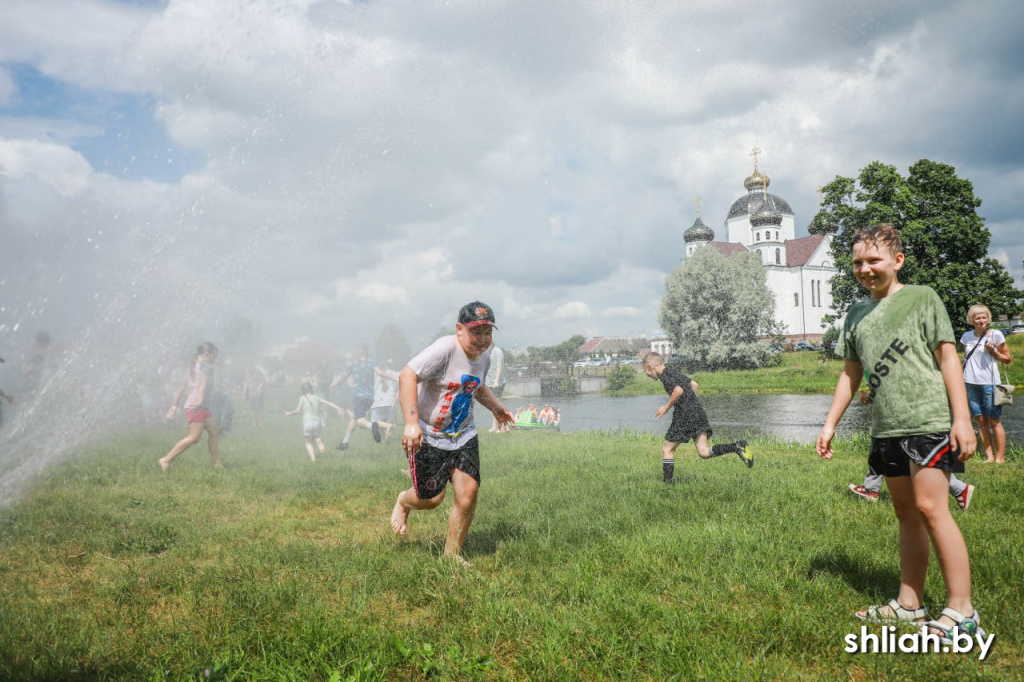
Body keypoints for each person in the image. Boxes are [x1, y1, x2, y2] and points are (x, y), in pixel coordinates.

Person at [816, 224, 983, 643]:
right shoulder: (855, 314)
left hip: (927, 421)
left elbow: (948, 358)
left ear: (897, 261)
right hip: (886, 428)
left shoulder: (922, 298)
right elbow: (850, 373)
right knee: (905, 513)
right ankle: (910, 604)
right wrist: (830, 423)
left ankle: (962, 611)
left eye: (873, 260)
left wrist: (962, 420)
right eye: (857, 262)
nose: (865, 269)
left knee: (931, 508)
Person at [389, 301, 514, 566]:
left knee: (467, 494)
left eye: (487, 332)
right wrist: (411, 424)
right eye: (475, 332)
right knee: (432, 499)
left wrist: (496, 407)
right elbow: (407, 376)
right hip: (428, 434)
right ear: (459, 329)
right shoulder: (445, 349)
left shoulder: (485, 358)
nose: (482, 339)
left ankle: (451, 556)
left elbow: (475, 387)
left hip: (463, 434)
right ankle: (404, 501)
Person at [847, 382, 976, 510]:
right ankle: (871, 488)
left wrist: (872, 396)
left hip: (905, 413)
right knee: (897, 452)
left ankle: (959, 488)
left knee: (914, 457)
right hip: (905, 411)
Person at [642, 352, 752, 483]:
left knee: (667, 449)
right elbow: (694, 384)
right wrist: (692, 404)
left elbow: (678, 390)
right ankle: (736, 446)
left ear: (650, 367)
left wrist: (666, 407)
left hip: (684, 415)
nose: (648, 376)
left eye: (646, 372)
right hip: (697, 412)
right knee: (704, 452)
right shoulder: (673, 372)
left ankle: (667, 484)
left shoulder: (664, 375)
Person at [159, 342, 224, 472]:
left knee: (214, 431)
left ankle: (217, 463)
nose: (215, 359)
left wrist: (174, 405)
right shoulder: (206, 367)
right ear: (207, 354)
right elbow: (202, 385)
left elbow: (181, 387)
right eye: (214, 356)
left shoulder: (192, 366)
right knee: (194, 437)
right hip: (197, 406)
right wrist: (199, 402)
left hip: (199, 406)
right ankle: (166, 460)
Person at [960, 304, 1012, 463]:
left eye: (984, 317)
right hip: (970, 382)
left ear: (988, 318)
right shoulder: (966, 336)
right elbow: (966, 358)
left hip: (991, 383)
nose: (981, 320)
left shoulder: (996, 334)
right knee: (981, 421)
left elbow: (1008, 359)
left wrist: (994, 352)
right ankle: (989, 457)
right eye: (977, 317)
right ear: (972, 319)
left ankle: (1000, 459)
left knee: (995, 420)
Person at [332, 344, 380, 449]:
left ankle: (372, 426)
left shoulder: (354, 365)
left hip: (358, 396)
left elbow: (344, 377)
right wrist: (394, 377)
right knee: (354, 417)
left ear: (362, 351)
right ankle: (345, 442)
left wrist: (336, 384)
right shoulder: (372, 364)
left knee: (360, 421)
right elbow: (380, 373)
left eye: (357, 350)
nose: (355, 352)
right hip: (370, 397)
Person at [283, 381, 345, 461]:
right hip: (317, 422)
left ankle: (313, 460)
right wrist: (338, 408)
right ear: (311, 389)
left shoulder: (302, 398)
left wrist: (289, 413)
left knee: (308, 442)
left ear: (303, 390)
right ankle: (319, 442)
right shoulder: (317, 397)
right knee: (315, 437)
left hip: (307, 422)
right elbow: (328, 403)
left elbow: (298, 411)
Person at [371, 359, 400, 442]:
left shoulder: (375, 374)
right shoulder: (394, 373)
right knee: (388, 421)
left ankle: (384, 438)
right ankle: (388, 433)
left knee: (376, 422)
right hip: (391, 402)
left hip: (378, 402)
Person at [485, 344, 509, 432]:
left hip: (498, 382)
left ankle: (501, 427)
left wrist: (496, 381)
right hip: (489, 382)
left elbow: (499, 366)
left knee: (498, 405)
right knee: (493, 406)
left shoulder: (497, 351)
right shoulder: (486, 351)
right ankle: (494, 427)